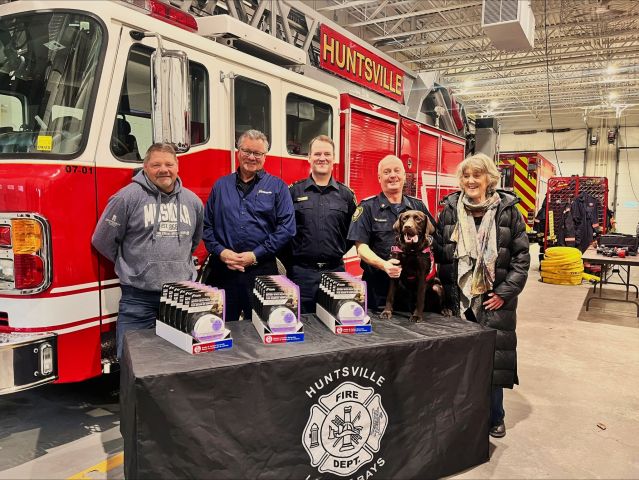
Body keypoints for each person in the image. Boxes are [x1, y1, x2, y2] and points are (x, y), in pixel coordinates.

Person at [434, 153, 530, 439]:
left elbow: (522, 259)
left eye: (477, 175)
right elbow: (439, 253)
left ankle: (494, 417)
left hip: (494, 301)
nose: (471, 180)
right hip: (457, 300)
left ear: (489, 178)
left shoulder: (508, 211)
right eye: (466, 176)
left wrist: (504, 293)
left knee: (492, 359)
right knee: (458, 361)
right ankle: (460, 414)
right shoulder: (450, 210)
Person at [92, 143, 204, 358]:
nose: (164, 169)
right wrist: (132, 265)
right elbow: (103, 240)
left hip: (180, 298)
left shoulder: (193, 202)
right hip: (138, 299)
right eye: (156, 164)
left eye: (169, 164)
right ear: (145, 167)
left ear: (177, 166)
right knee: (133, 362)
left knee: (179, 361)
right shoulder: (126, 198)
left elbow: (194, 241)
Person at [202, 129, 295, 322]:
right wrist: (221, 252)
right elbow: (207, 226)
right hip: (222, 272)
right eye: (247, 151)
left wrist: (254, 255)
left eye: (258, 153)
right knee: (218, 328)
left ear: (265, 156)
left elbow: (287, 228)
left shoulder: (278, 187)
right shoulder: (221, 186)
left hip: (261, 272)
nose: (251, 157)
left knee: (262, 327)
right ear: (238, 151)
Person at [347, 155, 435, 311]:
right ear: (379, 178)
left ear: (404, 176)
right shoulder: (367, 207)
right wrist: (384, 265)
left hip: (412, 294)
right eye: (387, 172)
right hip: (378, 292)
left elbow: (433, 236)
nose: (393, 175)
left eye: (397, 171)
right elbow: (361, 248)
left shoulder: (418, 206)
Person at [286, 135, 357, 313]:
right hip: (301, 274)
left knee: (337, 324)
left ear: (334, 158)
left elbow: (352, 233)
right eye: (317, 154)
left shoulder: (346, 195)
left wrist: (336, 250)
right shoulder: (293, 192)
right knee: (303, 324)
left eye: (327, 154)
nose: (322, 158)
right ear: (309, 157)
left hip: (336, 272)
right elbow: (284, 231)